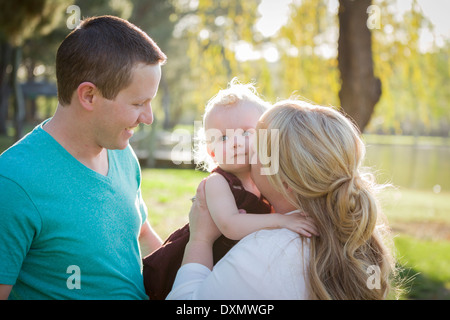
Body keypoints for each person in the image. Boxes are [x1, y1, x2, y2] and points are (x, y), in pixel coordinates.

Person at [0, 16, 166, 299]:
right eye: (138, 103)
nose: (148, 118)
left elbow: (142, 235)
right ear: (89, 95)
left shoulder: (123, 154)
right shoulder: (13, 183)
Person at [166, 99, 397, 300]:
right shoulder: (355, 238)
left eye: (256, 149)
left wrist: (200, 240)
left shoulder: (264, 254)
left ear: (284, 182)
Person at [143, 80, 317, 300]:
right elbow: (230, 225)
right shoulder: (218, 182)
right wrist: (283, 221)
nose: (235, 143)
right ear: (212, 152)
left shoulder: (265, 180)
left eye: (246, 133)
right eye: (224, 137)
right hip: (194, 264)